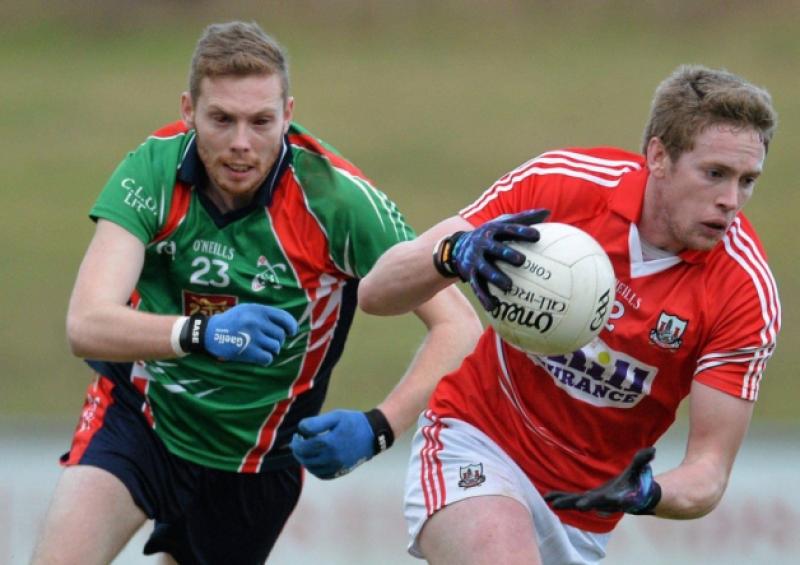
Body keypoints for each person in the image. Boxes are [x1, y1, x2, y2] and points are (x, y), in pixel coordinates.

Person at [32, 21, 481, 565]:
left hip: (259, 457)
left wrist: (377, 428)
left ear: (288, 115)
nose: (241, 144)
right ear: (189, 110)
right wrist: (200, 333)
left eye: (261, 121)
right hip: (143, 416)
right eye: (221, 119)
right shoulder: (151, 171)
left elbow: (458, 325)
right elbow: (86, 323)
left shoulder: (338, 203)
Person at [358, 64, 780, 564]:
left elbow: (708, 472)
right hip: (476, 440)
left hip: (582, 514)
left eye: (747, 180)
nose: (731, 200)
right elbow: (376, 293)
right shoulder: (561, 186)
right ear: (659, 156)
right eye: (714, 174)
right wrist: (451, 254)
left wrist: (648, 492)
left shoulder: (744, 291)